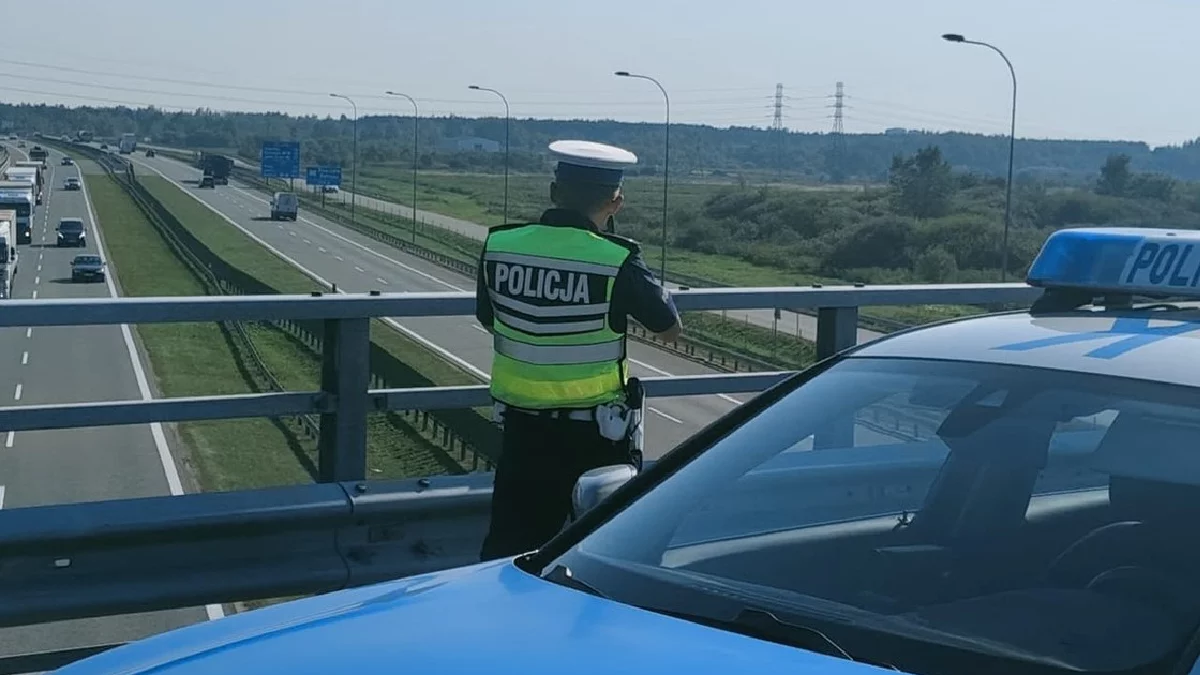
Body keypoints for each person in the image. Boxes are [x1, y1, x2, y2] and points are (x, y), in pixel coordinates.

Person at [475, 139, 682, 561]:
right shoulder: (616, 258)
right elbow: (669, 328)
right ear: (616, 202)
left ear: (554, 192)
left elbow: (488, 317)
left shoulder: (501, 245)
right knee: (604, 552)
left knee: (511, 551)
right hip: (594, 436)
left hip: (522, 430)